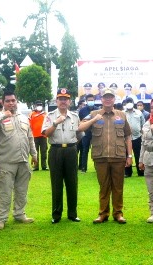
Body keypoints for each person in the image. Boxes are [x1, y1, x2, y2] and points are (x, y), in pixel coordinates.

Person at [0, 90, 38, 230]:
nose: (11, 103)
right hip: (6, 161)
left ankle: (20, 214)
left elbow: (30, 136)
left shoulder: (23, 117)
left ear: (16, 101)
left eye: (13, 100)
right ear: (3, 102)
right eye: (8, 101)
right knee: (5, 191)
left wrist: (34, 153)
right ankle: (1, 218)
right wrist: (2, 116)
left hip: (23, 160)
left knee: (22, 190)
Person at [78, 88, 133, 224]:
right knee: (104, 186)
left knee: (118, 187)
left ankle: (118, 213)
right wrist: (93, 120)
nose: (108, 99)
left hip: (118, 156)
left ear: (114, 99)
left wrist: (130, 155)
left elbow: (128, 136)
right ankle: (103, 213)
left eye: (110, 97)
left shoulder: (122, 115)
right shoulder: (93, 113)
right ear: (101, 99)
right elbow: (80, 127)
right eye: (105, 97)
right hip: (100, 156)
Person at [41, 89, 83, 224]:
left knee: (72, 183)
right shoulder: (50, 115)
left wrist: (72, 146)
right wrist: (56, 122)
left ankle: (72, 213)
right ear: (56, 101)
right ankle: (56, 214)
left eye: (66, 99)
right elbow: (46, 133)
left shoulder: (75, 116)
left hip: (70, 150)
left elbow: (79, 135)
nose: (63, 101)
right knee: (56, 183)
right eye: (60, 99)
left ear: (69, 101)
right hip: (56, 151)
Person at [123, 97, 145, 177]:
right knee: (126, 154)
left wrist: (143, 135)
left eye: (130, 102)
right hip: (125, 138)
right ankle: (128, 172)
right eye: (127, 102)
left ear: (133, 103)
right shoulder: (122, 113)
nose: (129, 103)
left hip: (137, 137)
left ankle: (140, 171)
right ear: (125, 104)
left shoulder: (139, 112)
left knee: (138, 154)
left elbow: (143, 124)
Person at [78, 94, 98, 173]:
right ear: (86, 101)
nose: (90, 101)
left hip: (96, 133)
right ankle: (83, 168)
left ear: (94, 100)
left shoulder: (97, 110)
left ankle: (97, 167)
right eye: (89, 100)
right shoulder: (82, 111)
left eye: (92, 100)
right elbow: (80, 122)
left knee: (96, 150)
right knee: (84, 150)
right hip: (85, 133)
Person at [30, 100, 48, 171]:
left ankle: (44, 166)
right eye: (38, 105)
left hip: (43, 136)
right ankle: (36, 166)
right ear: (35, 106)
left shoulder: (45, 114)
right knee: (35, 152)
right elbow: (29, 125)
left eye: (40, 105)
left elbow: (47, 123)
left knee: (44, 151)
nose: (39, 106)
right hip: (34, 136)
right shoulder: (32, 114)